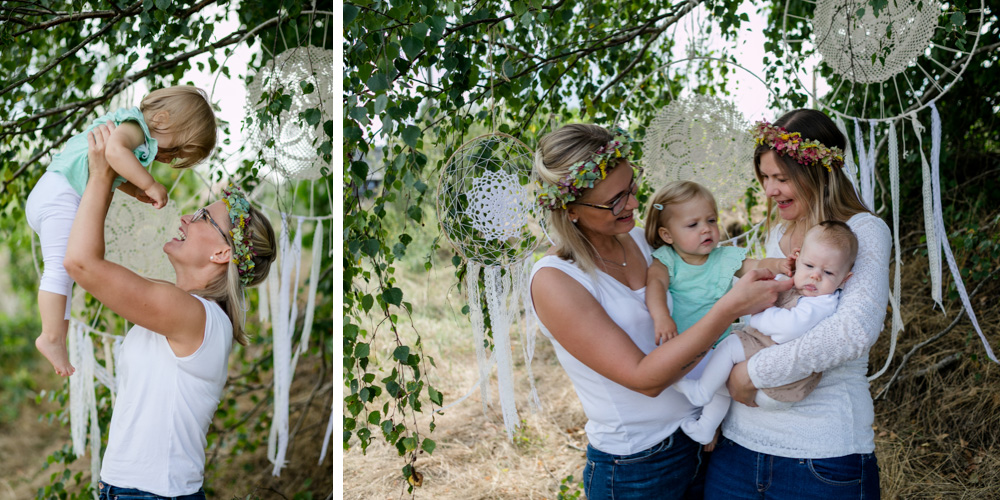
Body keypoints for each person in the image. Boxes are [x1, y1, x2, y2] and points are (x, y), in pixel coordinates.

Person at [530, 123, 792, 499]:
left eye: (632, 188)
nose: (634, 204)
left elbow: (709, 273)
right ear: (570, 210)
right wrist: (729, 308)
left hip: (701, 439)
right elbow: (645, 379)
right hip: (637, 466)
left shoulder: (640, 239)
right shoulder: (556, 280)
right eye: (615, 200)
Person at [63, 122, 275, 499]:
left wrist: (101, 176)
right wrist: (111, 175)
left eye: (202, 218)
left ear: (222, 253)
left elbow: (81, 264)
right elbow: (88, 261)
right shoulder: (180, 307)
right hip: (123, 489)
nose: (185, 219)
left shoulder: (196, 317)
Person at [704, 109, 891, 499]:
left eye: (781, 178)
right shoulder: (779, 235)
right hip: (739, 448)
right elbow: (761, 322)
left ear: (818, 173)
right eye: (765, 178)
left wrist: (750, 373)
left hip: (821, 456)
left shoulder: (862, 231)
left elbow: (851, 334)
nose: (770, 191)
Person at [26, 85, 217, 377]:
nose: (169, 158)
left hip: (57, 193)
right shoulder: (135, 127)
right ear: (163, 119)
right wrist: (148, 184)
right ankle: (50, 337)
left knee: (64, 276)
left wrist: (133, 189)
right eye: (174, 149)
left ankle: (55, 338)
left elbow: (113, 167)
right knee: (59, 269)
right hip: (60, 193)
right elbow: (113, 152)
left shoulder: (135, 135)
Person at [674, 221, 858, 445]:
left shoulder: (822, 302)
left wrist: (756, 313)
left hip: (781, 382)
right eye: (809, 266)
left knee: (730, 345)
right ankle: (706, 427)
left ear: (845, 279)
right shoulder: (793, 284)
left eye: (828, 272)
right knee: (721, 380)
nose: (815, 276)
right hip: (773, 374)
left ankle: (700, 392)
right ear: (797, 258)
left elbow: (786, 330)